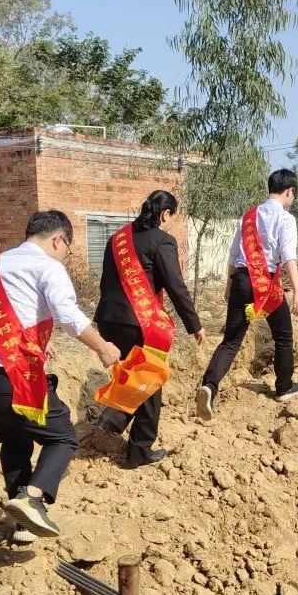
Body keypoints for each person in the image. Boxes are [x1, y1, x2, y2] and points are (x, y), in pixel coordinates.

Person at [0, 210, 121, 543]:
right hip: (12, 381)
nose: (64, 255)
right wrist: (103, 348)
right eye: (66, 248)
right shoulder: (48, 266)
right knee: (63, 436)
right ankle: (32, 498)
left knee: (15, 441)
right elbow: (68, 315)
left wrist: (38, 345)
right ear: (58, 239)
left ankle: (23, 523)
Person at [93, 190, 205, 467]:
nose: (170, 224)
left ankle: (114, 417)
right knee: (151, 382)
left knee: (132, 374)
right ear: (165, 214)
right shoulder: (163, 241)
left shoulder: (115, 239)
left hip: (108, 320)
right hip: (139, 323)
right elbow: (176, 286)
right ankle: (139, 451)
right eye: (171, 218)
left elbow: (105, 282)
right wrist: (194, 324)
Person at [196, 169, 298, 418]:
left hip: (241, 282)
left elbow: (234, 255)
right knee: (283, 336)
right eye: (294, 194)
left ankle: (209, 385)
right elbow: (288, 256)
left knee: (231, 341)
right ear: (289, 191)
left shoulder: (248, 217)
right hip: (265, 285)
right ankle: (284, 387)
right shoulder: (286, 219)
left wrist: (229, 285)